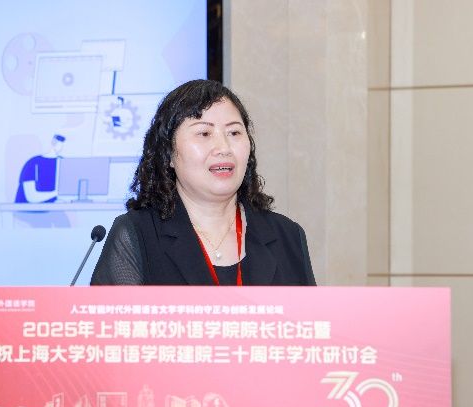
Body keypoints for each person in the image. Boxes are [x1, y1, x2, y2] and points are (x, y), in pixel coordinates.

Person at [91, 80, 315, 286]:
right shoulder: (136, 234)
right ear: (168, 154)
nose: (224, 148)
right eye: (204, 133)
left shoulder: (287, 236)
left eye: (234, 132)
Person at [14, 134, 65, 203]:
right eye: (59, 145)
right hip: (28, 208)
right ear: (53, 143)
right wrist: (57, 193)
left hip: (52, 207)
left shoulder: (63, 163)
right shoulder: (33, 163)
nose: (60, 148)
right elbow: (31, 197)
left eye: (62, 146)